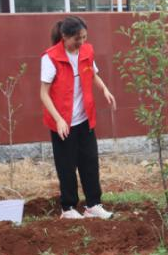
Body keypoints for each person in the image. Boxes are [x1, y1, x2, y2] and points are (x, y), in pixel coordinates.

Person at [39, 16, 117, 219]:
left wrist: (105, 90)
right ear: (64, 37)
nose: (81, 42)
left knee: (90, 162)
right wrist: (59, 119)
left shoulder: (87, 51)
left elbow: (93, 74)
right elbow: (43, 94)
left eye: (84, 37)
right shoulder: (50, 57)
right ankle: (68, 207)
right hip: (63, 123)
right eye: (77, 39)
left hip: (84, 119)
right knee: (66, 165)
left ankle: (93, 204)